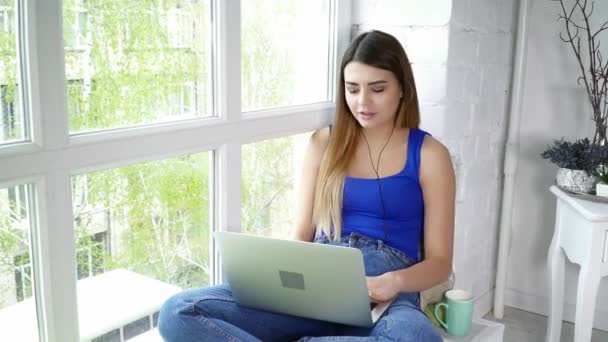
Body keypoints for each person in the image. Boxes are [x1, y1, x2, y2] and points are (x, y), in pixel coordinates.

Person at [158, 29, 455, 342]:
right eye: (352, 89)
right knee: (179, 311)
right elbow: (302, 235)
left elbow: (439, 263)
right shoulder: (324, 143)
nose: (362, 101)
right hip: (318, 289)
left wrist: (393, 281)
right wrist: (285, 286)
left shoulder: (430, 155)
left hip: (390, 300)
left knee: (418, 338)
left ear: (402, 90)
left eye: (377, 89)